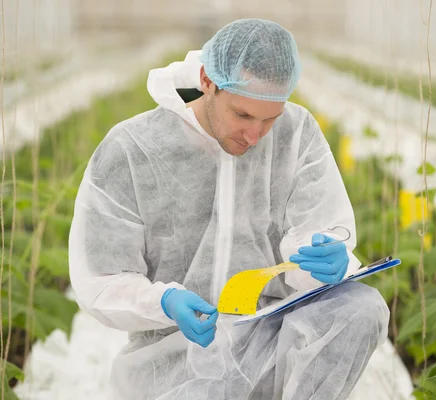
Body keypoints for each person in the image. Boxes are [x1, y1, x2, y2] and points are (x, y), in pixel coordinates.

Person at [68, 18, 390, 400]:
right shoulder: (133, 149)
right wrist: (166, 303)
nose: (255, 136)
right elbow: (101, 279)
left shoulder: (297, 133)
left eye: (270, 118)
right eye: (243, 115)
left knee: (360, 308)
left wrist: (322, 258)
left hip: (272, 345)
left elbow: (318, 228)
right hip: (176, 363)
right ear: (207, 81)